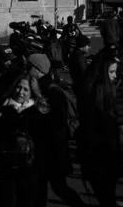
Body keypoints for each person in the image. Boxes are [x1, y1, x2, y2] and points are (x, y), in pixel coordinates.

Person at [27, 53, 85, 207]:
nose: (26, 69)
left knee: (50, 188)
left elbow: (54, 124)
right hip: (53, 149)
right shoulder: (48, 87)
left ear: (37, 69)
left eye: (29, 66)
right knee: (53, 187)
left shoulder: (47, 91)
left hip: (48, 150)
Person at [79, 51, 123, 207]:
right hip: (101, 161)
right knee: (107, 199)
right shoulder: (95, 98)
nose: (114, 76)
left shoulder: (104, 94)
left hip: (104, 161)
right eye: (111, 72)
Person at [0, 72, 50, 207]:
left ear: (32, 92)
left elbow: (43, 143)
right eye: (18, 87)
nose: (20, 92)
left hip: (29, 168)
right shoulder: (1, 107)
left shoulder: (38, 113)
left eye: (26, 89)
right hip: (5, 166)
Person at [68, 34, 90, 100]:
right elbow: (85, 72)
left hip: (77, 84)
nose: (89, 47)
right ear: (82, 46)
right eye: (88, 45)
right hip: (81, 86)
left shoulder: (76, 54)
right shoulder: (79, 57)